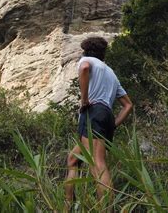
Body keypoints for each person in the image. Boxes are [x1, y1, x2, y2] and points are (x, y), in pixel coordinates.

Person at [64, 36, 133, 210]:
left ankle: (108, 208)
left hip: (93, 113)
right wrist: (114, 124)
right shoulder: (110, 72)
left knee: (97, 161)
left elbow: (85, 68)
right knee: (73, 160)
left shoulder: (86, 60)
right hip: (106, 115)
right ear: (103, 53)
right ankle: (67, 206)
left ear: (86, 50)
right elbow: (128, 105)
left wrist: (84, 100)